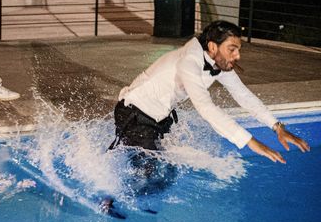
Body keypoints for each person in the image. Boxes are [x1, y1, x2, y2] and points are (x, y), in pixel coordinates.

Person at [112, 20, 310, 163]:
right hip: (134, 113)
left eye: (238, 50)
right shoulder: (190, 61)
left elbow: (243, 95)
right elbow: (205, 107)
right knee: (149, 168)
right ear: (213, 46)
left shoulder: (217, 62)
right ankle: (108, 197)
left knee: (161, 168)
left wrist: (277, 127)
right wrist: (249, 141)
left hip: (157, 118)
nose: (237, 55)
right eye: (232, 49)